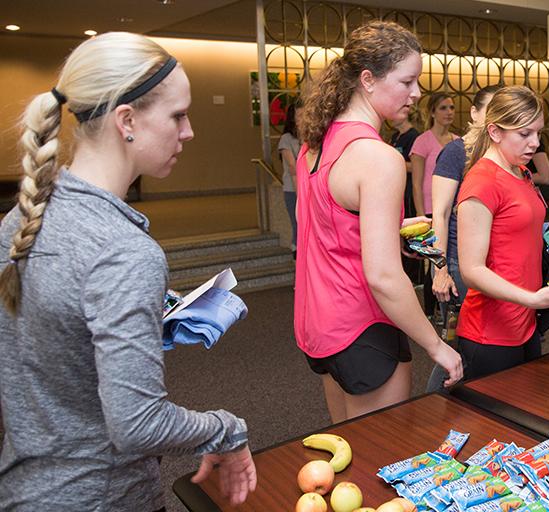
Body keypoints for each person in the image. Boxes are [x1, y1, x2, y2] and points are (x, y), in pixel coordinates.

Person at [0, 32, 256, 510]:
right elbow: (137, 423)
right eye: (178, 115)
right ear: (127, 120)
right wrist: (226, 430)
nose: (189, 131)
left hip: (23, 489)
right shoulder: (124, 252)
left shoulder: (21, 219)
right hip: (102, 497)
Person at [295, 21, 463, 423]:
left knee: (348, 450)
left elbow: (331, 229)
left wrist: (394, 234)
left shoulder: (313, 145)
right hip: (362, 323)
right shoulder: (379, 157)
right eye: (407, 82)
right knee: (381, 461)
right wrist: (435, 346)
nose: (416, 93)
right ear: (367, 80)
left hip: (319, 323)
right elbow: (383, 276)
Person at [455, 85, 549, 380]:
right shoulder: (483, 182)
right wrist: (532, 300)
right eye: (524, 134)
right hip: (490, 332)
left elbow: (522, 235)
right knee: (492, 423)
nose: (534, 143)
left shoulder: (521, 171)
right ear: (495, 131)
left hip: (526, 321)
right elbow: (471, 270)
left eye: (538, 133)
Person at [424, 85, 500, 392]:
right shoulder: (456, 151)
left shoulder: (505, 153)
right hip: (457, 261)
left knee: (490, 343)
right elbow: (439, 215)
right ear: (474, 113)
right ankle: (432, 406)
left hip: (492, 263)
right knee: (461, 346)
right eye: (492, 110)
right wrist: (439, 270)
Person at [410, 92, 458, 217]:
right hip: (429, 210)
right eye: (443, 108)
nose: (449, 112)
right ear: (432, 113)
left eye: (452, 107)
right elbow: (416, 184)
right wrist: (420, 215)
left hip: (453, 209)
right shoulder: (422, 141)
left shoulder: (458, 141)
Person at [278, 102, 301, 252]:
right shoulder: (286, 139)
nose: (303, 119)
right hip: (293, 189)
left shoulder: (310, 137)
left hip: (308, 188)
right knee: (297, 224)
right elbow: (293, 168)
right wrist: (301, 194)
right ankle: (296, 255)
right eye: (299, 116)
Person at [388, 112, 420, 217]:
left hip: (409, 191)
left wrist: (393, 163)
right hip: (398, 189)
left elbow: (416, 167)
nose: (390, 117)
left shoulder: (414, 137)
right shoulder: (395, 136)